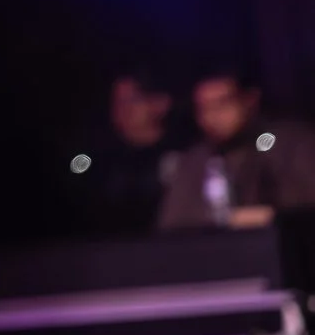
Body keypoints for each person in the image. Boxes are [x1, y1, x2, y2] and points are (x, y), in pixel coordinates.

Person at [157, 71, 315, 230]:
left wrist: (275, 216)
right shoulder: (194, 161)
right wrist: (219, 220)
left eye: (222, 104)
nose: (212, 115)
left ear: (250, 100)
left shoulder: (291, 144)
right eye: (203, 108)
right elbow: (172, 226)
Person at [78, 73, 175, 234]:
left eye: (133, 100)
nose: (123, 109)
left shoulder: (185, 156)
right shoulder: (98, 161)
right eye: (117, 101)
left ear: (161, 103)